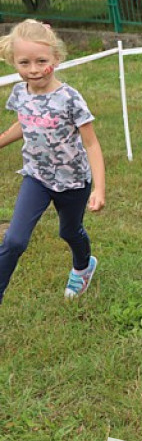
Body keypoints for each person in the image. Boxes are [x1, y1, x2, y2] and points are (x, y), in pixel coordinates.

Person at [0, 19, 106, 304]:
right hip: (36, 176)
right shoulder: (19, 93)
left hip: (73, 180)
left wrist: (99, 189)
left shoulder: (70, 99)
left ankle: (84, 267)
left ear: (56, 59)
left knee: (69, 231)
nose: (33, 70)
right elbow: (25, 123)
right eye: (24, 62)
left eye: (41, 61)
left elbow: (92, 144)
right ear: (13, 62)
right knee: (14, 240)